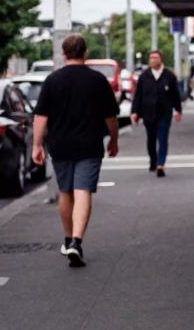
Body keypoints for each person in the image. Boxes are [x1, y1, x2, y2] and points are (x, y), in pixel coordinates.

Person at [31, 34, 119, 267]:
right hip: (89, 144)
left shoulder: (52, 80)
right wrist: (114, 140)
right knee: (83, 192)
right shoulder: (97, 80)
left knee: (65, 192)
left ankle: (68, 239)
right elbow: (110, 116)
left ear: (63, 54)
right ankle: (76, 243)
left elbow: (41, 117)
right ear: (85, 53)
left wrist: (36, 145)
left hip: (59, 145)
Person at [131, 50, 183, 177]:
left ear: (161, 59)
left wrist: (178, 110)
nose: (153, 60)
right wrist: (135, 112)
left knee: (163, 138)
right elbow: (138, 96)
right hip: (148, 113)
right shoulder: (144, 76)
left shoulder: (169, 76)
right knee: (151, 139)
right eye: (151, 58)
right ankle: (153, 161)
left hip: (164, 112)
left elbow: (175, 95)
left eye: (155, 58)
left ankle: (161, 164)